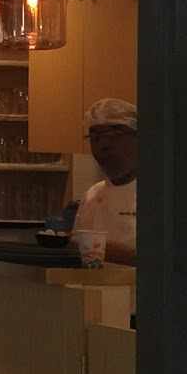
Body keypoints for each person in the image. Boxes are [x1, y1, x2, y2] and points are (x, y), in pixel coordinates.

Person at [74, 98, 137, 265]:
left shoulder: (164, 195)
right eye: (95, 138)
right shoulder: (92, 195)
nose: (103, 146)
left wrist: (106, 251)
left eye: (113, 136)